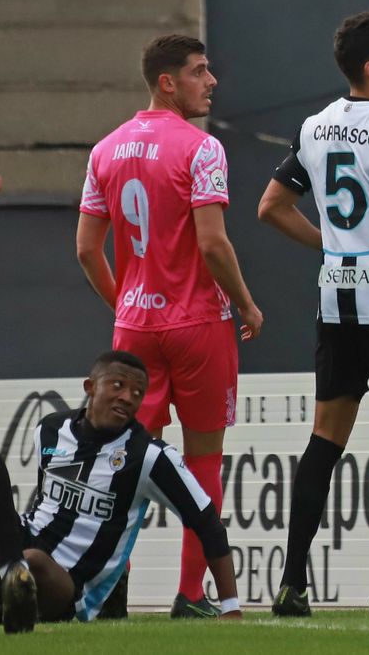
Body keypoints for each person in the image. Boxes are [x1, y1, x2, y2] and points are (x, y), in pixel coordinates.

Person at [74, 34, 262, 618]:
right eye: (200, 72)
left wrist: (125, 303)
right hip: (199, 324)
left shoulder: (103, 150)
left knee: (121, 460)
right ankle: (191, 594)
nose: (212, 82)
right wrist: (248, 305)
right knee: (203, 460)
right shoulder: (201, 149)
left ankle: (109, 594)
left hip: (134, 330)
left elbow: (86, 250)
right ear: (167, 82)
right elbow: (212, 243)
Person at [256, 12, 369, 618]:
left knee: (325, 439)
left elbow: (271, 206)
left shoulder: (314, 127)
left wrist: (333, 245)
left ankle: (291, 585)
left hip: (336, 298)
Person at [0, 351, 241, 632]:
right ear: (90, 387)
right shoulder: (50, 430)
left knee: (35, 563)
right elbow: (45, 503)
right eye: (118, 385)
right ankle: (11, 581)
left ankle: (14, 584)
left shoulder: (148, 455)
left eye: (138, 392)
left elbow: (207, 523)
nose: (128, 396)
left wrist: (231, 607)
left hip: (67, 582)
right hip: (21, 545)